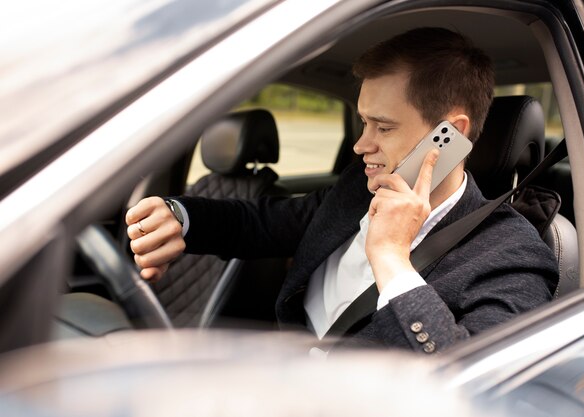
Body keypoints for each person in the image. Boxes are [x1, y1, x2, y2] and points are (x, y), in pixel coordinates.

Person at [125, 27, 558, 354]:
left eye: (383, 127)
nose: (360, 145)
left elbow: (475, 386)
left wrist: (391, 260)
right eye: (364, 122)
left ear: (449, 134)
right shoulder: (358, 188)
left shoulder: (512, 252)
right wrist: (180, 216)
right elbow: (263, 222)